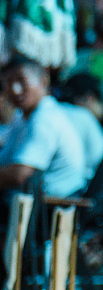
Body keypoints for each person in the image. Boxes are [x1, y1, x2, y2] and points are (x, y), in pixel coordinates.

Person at [0, 58, 92, 197]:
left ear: (43, 81)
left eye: (22, 81)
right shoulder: (23, 117)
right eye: (8, 83)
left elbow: (20, 174)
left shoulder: (44, 119)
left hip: (52, 206)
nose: (15, 90)